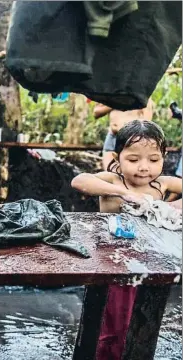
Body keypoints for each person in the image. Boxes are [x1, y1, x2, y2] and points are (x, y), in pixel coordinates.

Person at [71, 120, 182, 359]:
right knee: (109, 319)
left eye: (154, 160)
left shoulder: (161, 184)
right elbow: (79, 181)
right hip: (112, 263)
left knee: (141, 318)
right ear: (117, 157)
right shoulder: (113, 181)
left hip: (149, 262)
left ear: (164, 157)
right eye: (133, 160)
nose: (144, 168)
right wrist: (124, 193)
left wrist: (170, 206)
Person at [94, 98, 154, 170]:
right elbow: (96, 113)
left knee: (130, 171)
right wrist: (115, 102)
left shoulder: (139, 92)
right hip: (112, 136)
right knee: (108, 171)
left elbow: (147, 120)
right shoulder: (110, 92)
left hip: (131, 137)